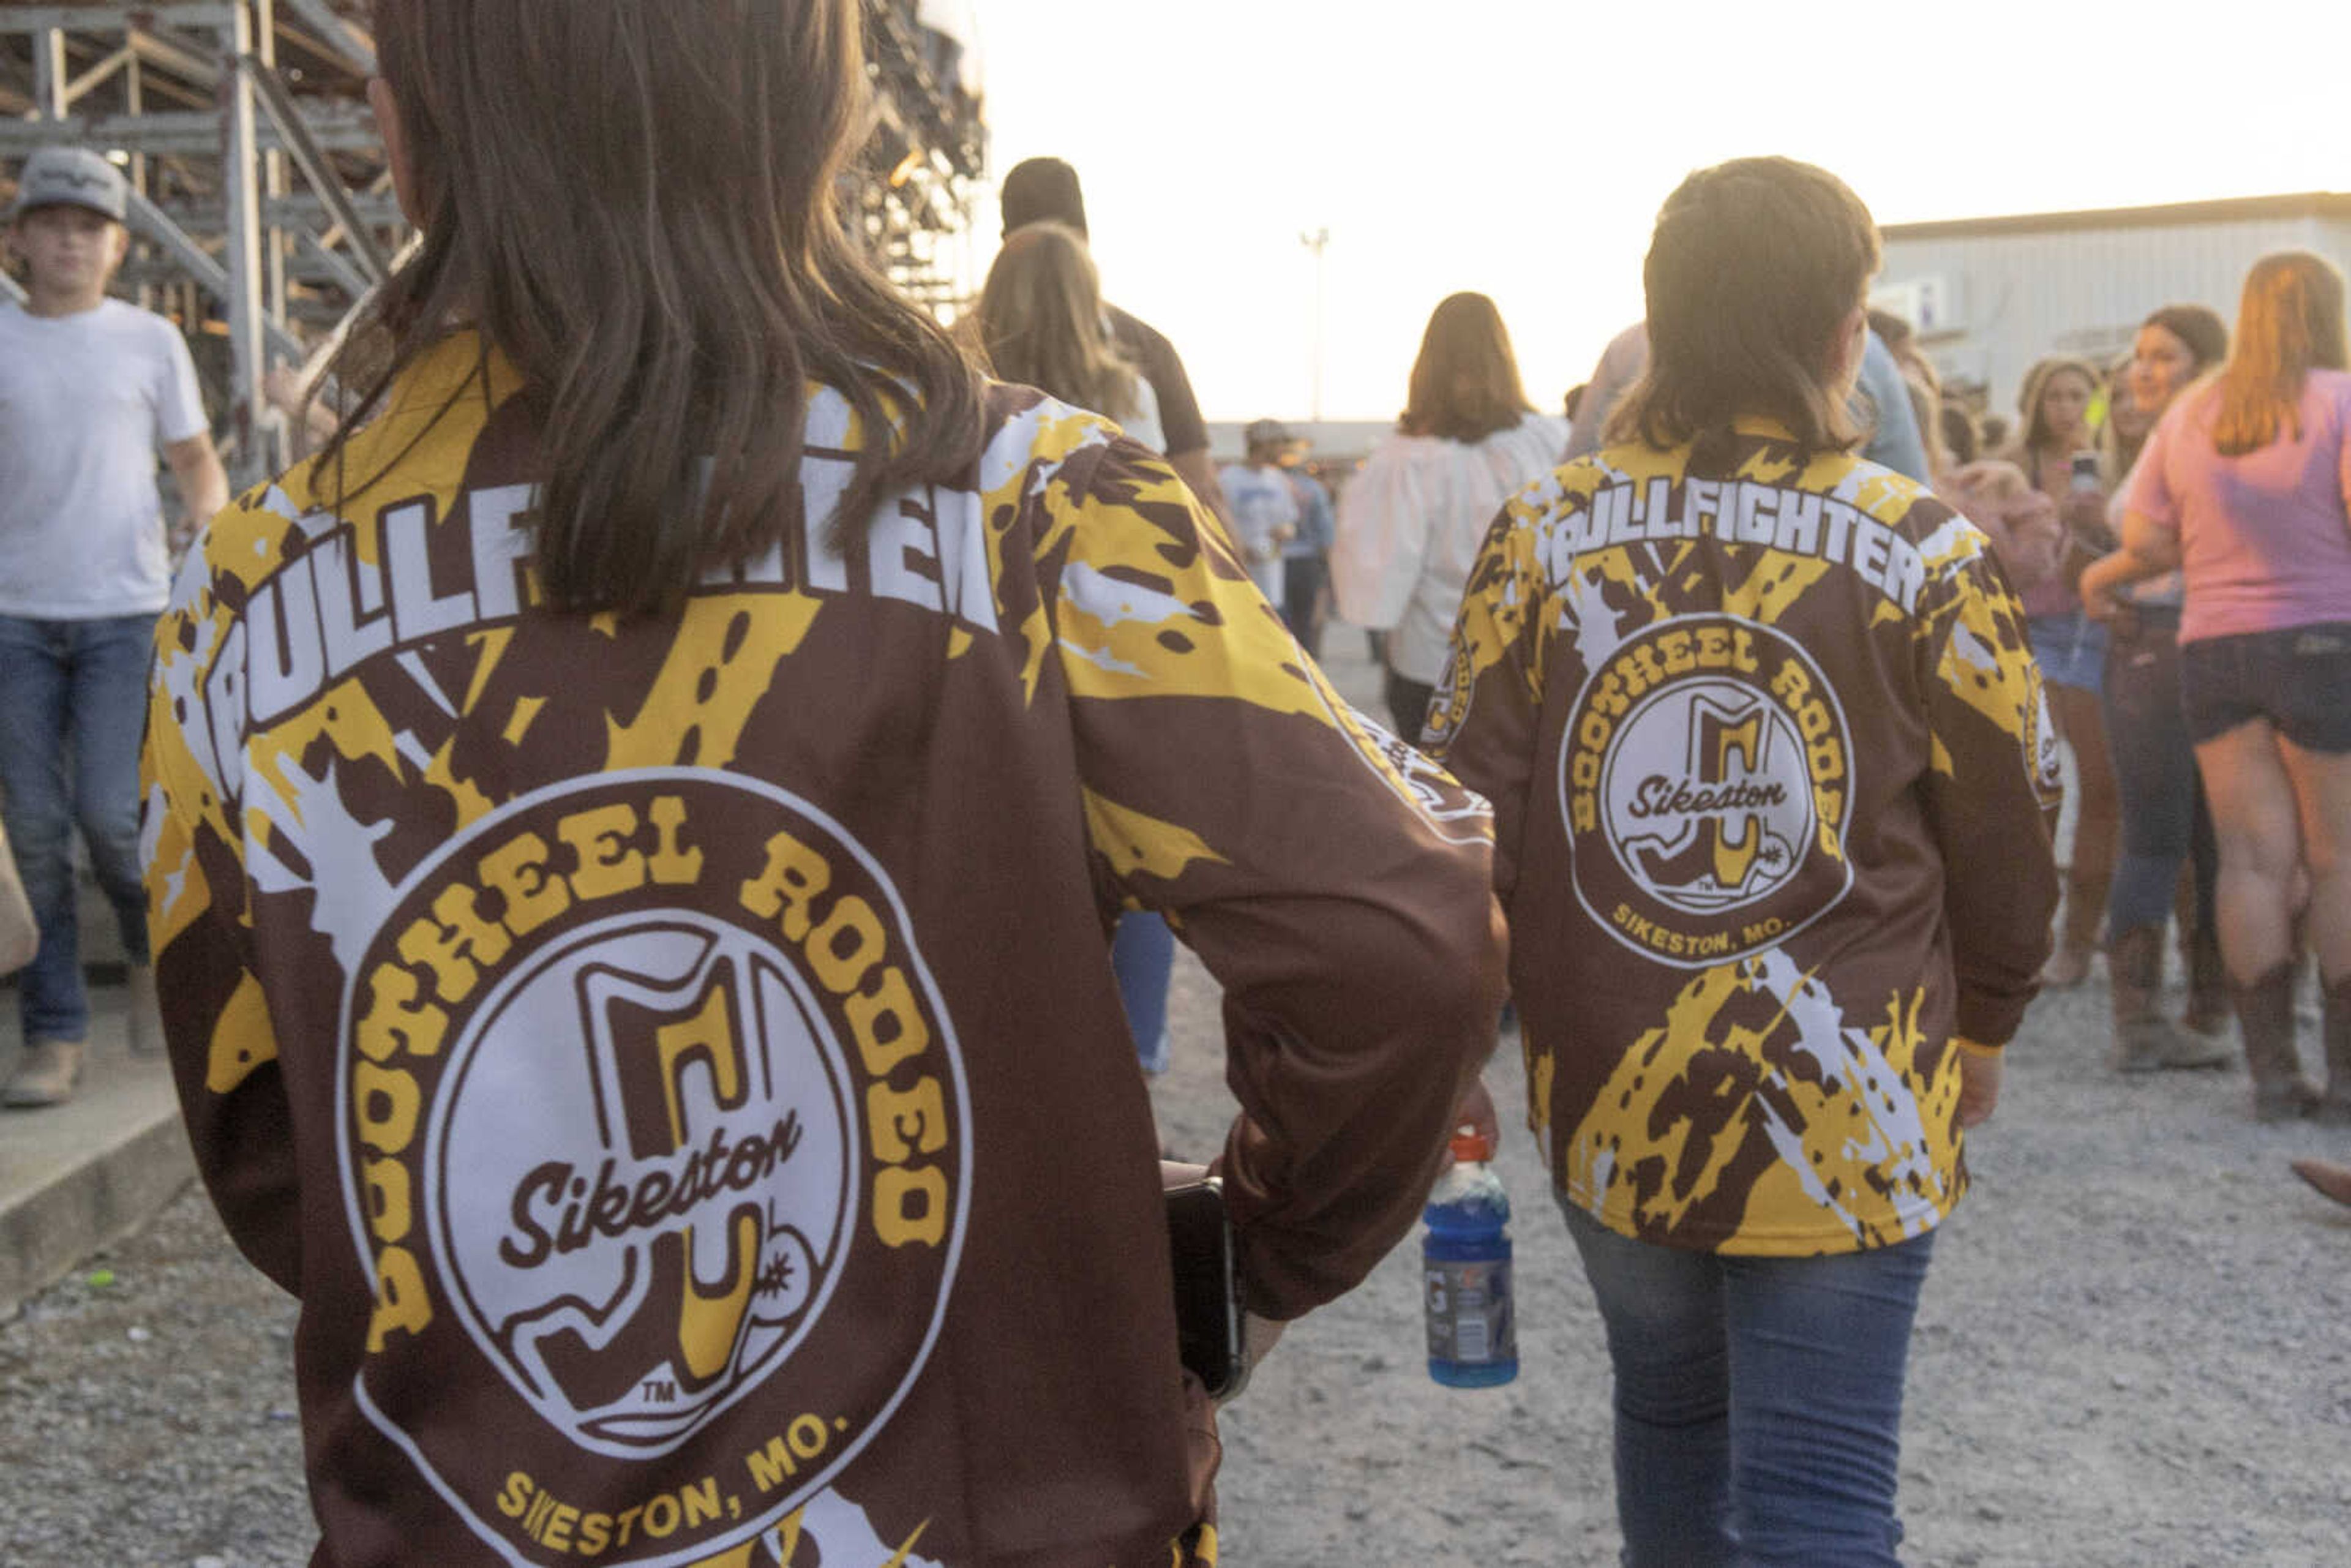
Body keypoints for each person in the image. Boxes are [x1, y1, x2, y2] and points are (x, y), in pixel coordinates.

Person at [138, 6, 1507, 1565]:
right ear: (828, 119)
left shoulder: (240, 599)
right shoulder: (1040, 508)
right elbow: (1396, 935)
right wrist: (1240, 1253)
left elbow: (276, 1148)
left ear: (404, 136)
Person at [1427, 156, 2058, 1567]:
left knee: (1666, 1429)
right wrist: (1989, 1015)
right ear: (1846, 334)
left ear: (1660, 319)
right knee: (1819, 1494)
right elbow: (2012, 825)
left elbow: (1458, 812)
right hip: (1856, 1092)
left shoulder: (1539, 532)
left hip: (1609, 1087)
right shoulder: (1926, 549)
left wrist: (1449, 1029)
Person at [2088, 252, 2351, 1122]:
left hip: (2214, 648)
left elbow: (2149, 541)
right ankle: (2347, 1084)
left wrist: (2103, 579)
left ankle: (2273, 1078)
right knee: (2337, 856)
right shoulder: (2340, 399)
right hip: (2323, 641)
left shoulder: (2195, 411)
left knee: (2246, 860)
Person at [0, 145, 227, 1108]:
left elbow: (195, 460)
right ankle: (55, 1034)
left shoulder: (148, 341)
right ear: (17, 240)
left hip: (121, 612)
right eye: (51, 224)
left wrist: (213, 535)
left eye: (89, 227)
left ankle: (143, 947)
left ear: (119, 247)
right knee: (37, 832)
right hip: (13, 612)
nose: (70, 241)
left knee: (109, 814)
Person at [2078, 306, 2236, 1073]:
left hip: (2160, 639)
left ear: (2204, 362)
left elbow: (2160, 547)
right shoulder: (2221, 434)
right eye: (2138, 355)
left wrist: (2096, 575)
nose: (2142, 370)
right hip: (2212, 639)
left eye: (2163, 356)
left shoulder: (2183, 437)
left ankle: (2140, 1024)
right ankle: (2210, 1002)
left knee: (2155, 836)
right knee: (2209, 835)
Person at [1329, 292, 1568, 739]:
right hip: (1531, 666)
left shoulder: (1404, 459)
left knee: (1443, 803)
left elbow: (1375, 591)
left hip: (1431, 668)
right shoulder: (1550, 441)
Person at [997, 157, 1233, 531]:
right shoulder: (1145, 348)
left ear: (1004, 241)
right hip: (1120, 571)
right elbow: (1198, 488)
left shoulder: (955, 351)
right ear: (1085, 238)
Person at [2003, 354, 2121, 988]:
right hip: (2031, 631)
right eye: (2056, 395)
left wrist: (2095, 520)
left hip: (2096, 628)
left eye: (2080, 395)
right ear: (2034, 402)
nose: (2068, 408)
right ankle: (2030, 938)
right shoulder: (2010, 468)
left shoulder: (2113, 468)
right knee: (2037, 787)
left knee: (2103, 786)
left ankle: (2080, 939)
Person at [1566, 317, 1933, 482]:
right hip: (1829, 596)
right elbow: (1913, 497)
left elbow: (1578, 480)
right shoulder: (1865, 349)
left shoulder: (1633, 345)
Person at [1220, 420, 1302, 603]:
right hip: (1238, 577)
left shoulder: (1277, 479)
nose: (1284, 449)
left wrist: (1285, 531)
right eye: (1280, 443)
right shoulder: (1228, 478)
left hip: (1271, 577)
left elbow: (1290, 522)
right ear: (1266, 444)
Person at [1278, 441, 1336, 659]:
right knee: (1307, 619)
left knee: (1282, 619)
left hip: (1277, 560)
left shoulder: (1274, 484)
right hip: (1308, 561)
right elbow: (1325, 531)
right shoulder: (1314, 489)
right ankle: (1307, 664)